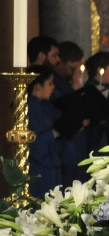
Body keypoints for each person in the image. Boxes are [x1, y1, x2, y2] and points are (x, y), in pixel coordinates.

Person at [26, 66, 69, 198]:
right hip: (40, 168)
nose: (53, 87)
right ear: (38, 86)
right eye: (49, 83)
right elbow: (35, 143)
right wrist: (54, 133)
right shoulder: (32, 107)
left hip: (50, 164)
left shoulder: (43, 105)